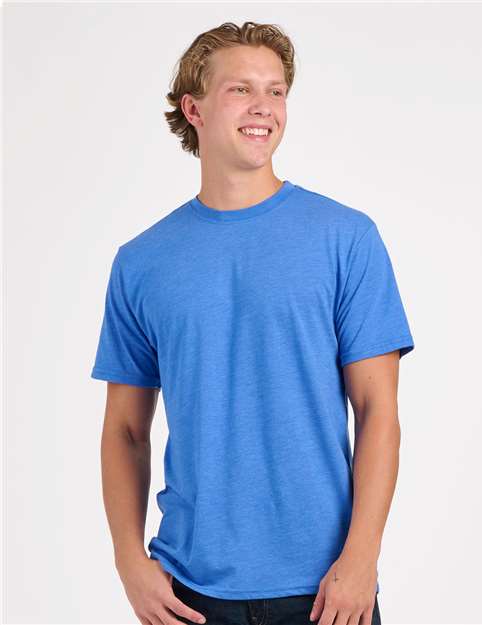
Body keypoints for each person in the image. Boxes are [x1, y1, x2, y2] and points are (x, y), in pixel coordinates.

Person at [91, 20, 414, 625]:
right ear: (194, 109)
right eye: (240, 89)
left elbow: (379, 412)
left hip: (327, 589)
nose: (263, 106)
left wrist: (362, 559)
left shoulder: (346, 239)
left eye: (276, 91)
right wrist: (129, 562)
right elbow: (126, 431)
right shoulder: (142, 262)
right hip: (188, 592)